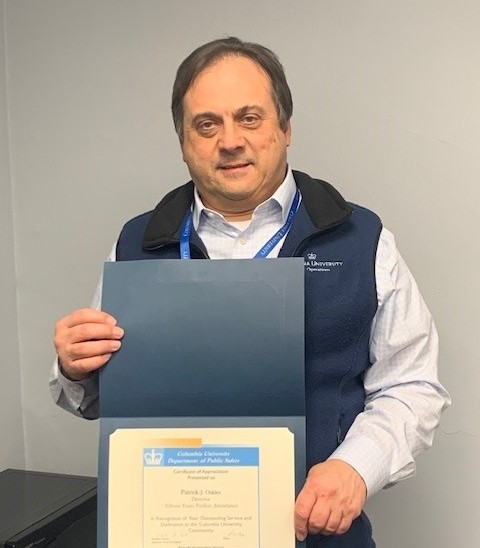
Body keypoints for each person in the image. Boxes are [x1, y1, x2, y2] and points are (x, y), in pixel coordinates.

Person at [50, 37, 450, 547]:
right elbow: (93, 397)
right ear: (183, 141)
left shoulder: (362, 240)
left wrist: (356, 468)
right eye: (206, 124)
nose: (230, 140)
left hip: (316, 535)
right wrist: (73, 366)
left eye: (250, 118)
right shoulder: (135, 244)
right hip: (171, 531)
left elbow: (413, 385)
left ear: (285, 129)